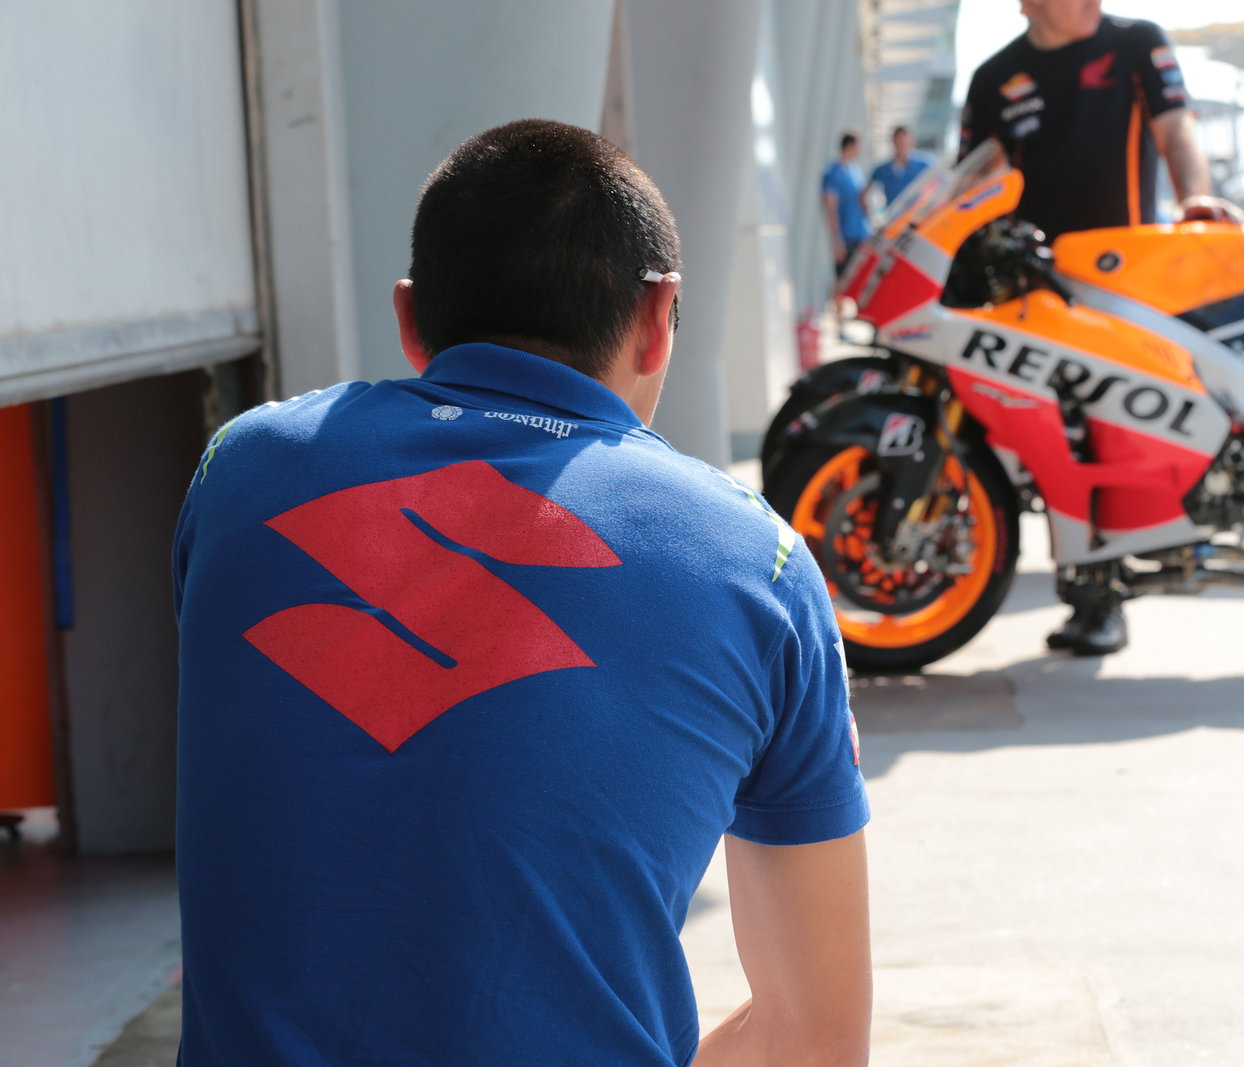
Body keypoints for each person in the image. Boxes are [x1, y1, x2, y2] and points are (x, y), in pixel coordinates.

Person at [172, 119, 871, 1067]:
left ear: (411, 318)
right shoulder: (759, 565)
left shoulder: (240, 471)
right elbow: (815, 1037)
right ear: (659, 316)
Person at [959, 0, 1242, 657]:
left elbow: (1176, 131)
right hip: (1031, 288)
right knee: (1046, 441)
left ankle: (1099, 599)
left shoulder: (1137, 41)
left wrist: (1195, 200)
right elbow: (973, 177)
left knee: (1107, 439)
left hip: (1123, 280)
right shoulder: (996, 75)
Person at [821, 129, 873, 288]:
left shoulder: (854, 170)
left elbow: (861, 199)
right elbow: (830, 209)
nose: (860, 150)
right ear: (849, 146)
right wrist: (836, 240)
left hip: (861, 233)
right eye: (858, 146)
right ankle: (838, 310)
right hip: (845, 236)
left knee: (862, 278)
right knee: (841, 278)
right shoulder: (833, 172)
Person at [863, 125, 931, 215]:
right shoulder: (883, 169)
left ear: (911, 141)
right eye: (898, 141)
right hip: (893, 220)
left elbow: (942, 181)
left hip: (915, 219)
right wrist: (872, 218)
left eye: (904, 141)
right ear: (893, 142)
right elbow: (864, 194)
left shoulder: (923, 165)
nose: (901, 144)